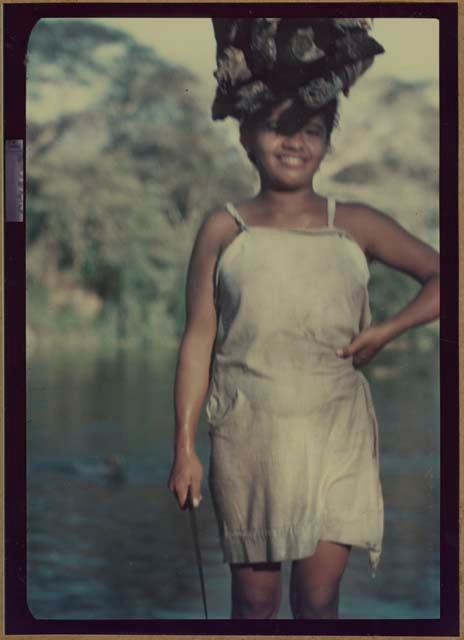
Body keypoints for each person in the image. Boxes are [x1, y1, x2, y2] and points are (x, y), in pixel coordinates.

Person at [168, 18, 440, 619]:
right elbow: (198, 340)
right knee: (254, 606)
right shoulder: (223, 228)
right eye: (277, 128)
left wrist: (387, 331)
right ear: (247, 137)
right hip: (247, 431)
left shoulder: (358, 223)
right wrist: (184, 447)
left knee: (317, 604)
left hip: (334, 432)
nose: (294, 143)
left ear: (326, 141)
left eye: (311, 130)